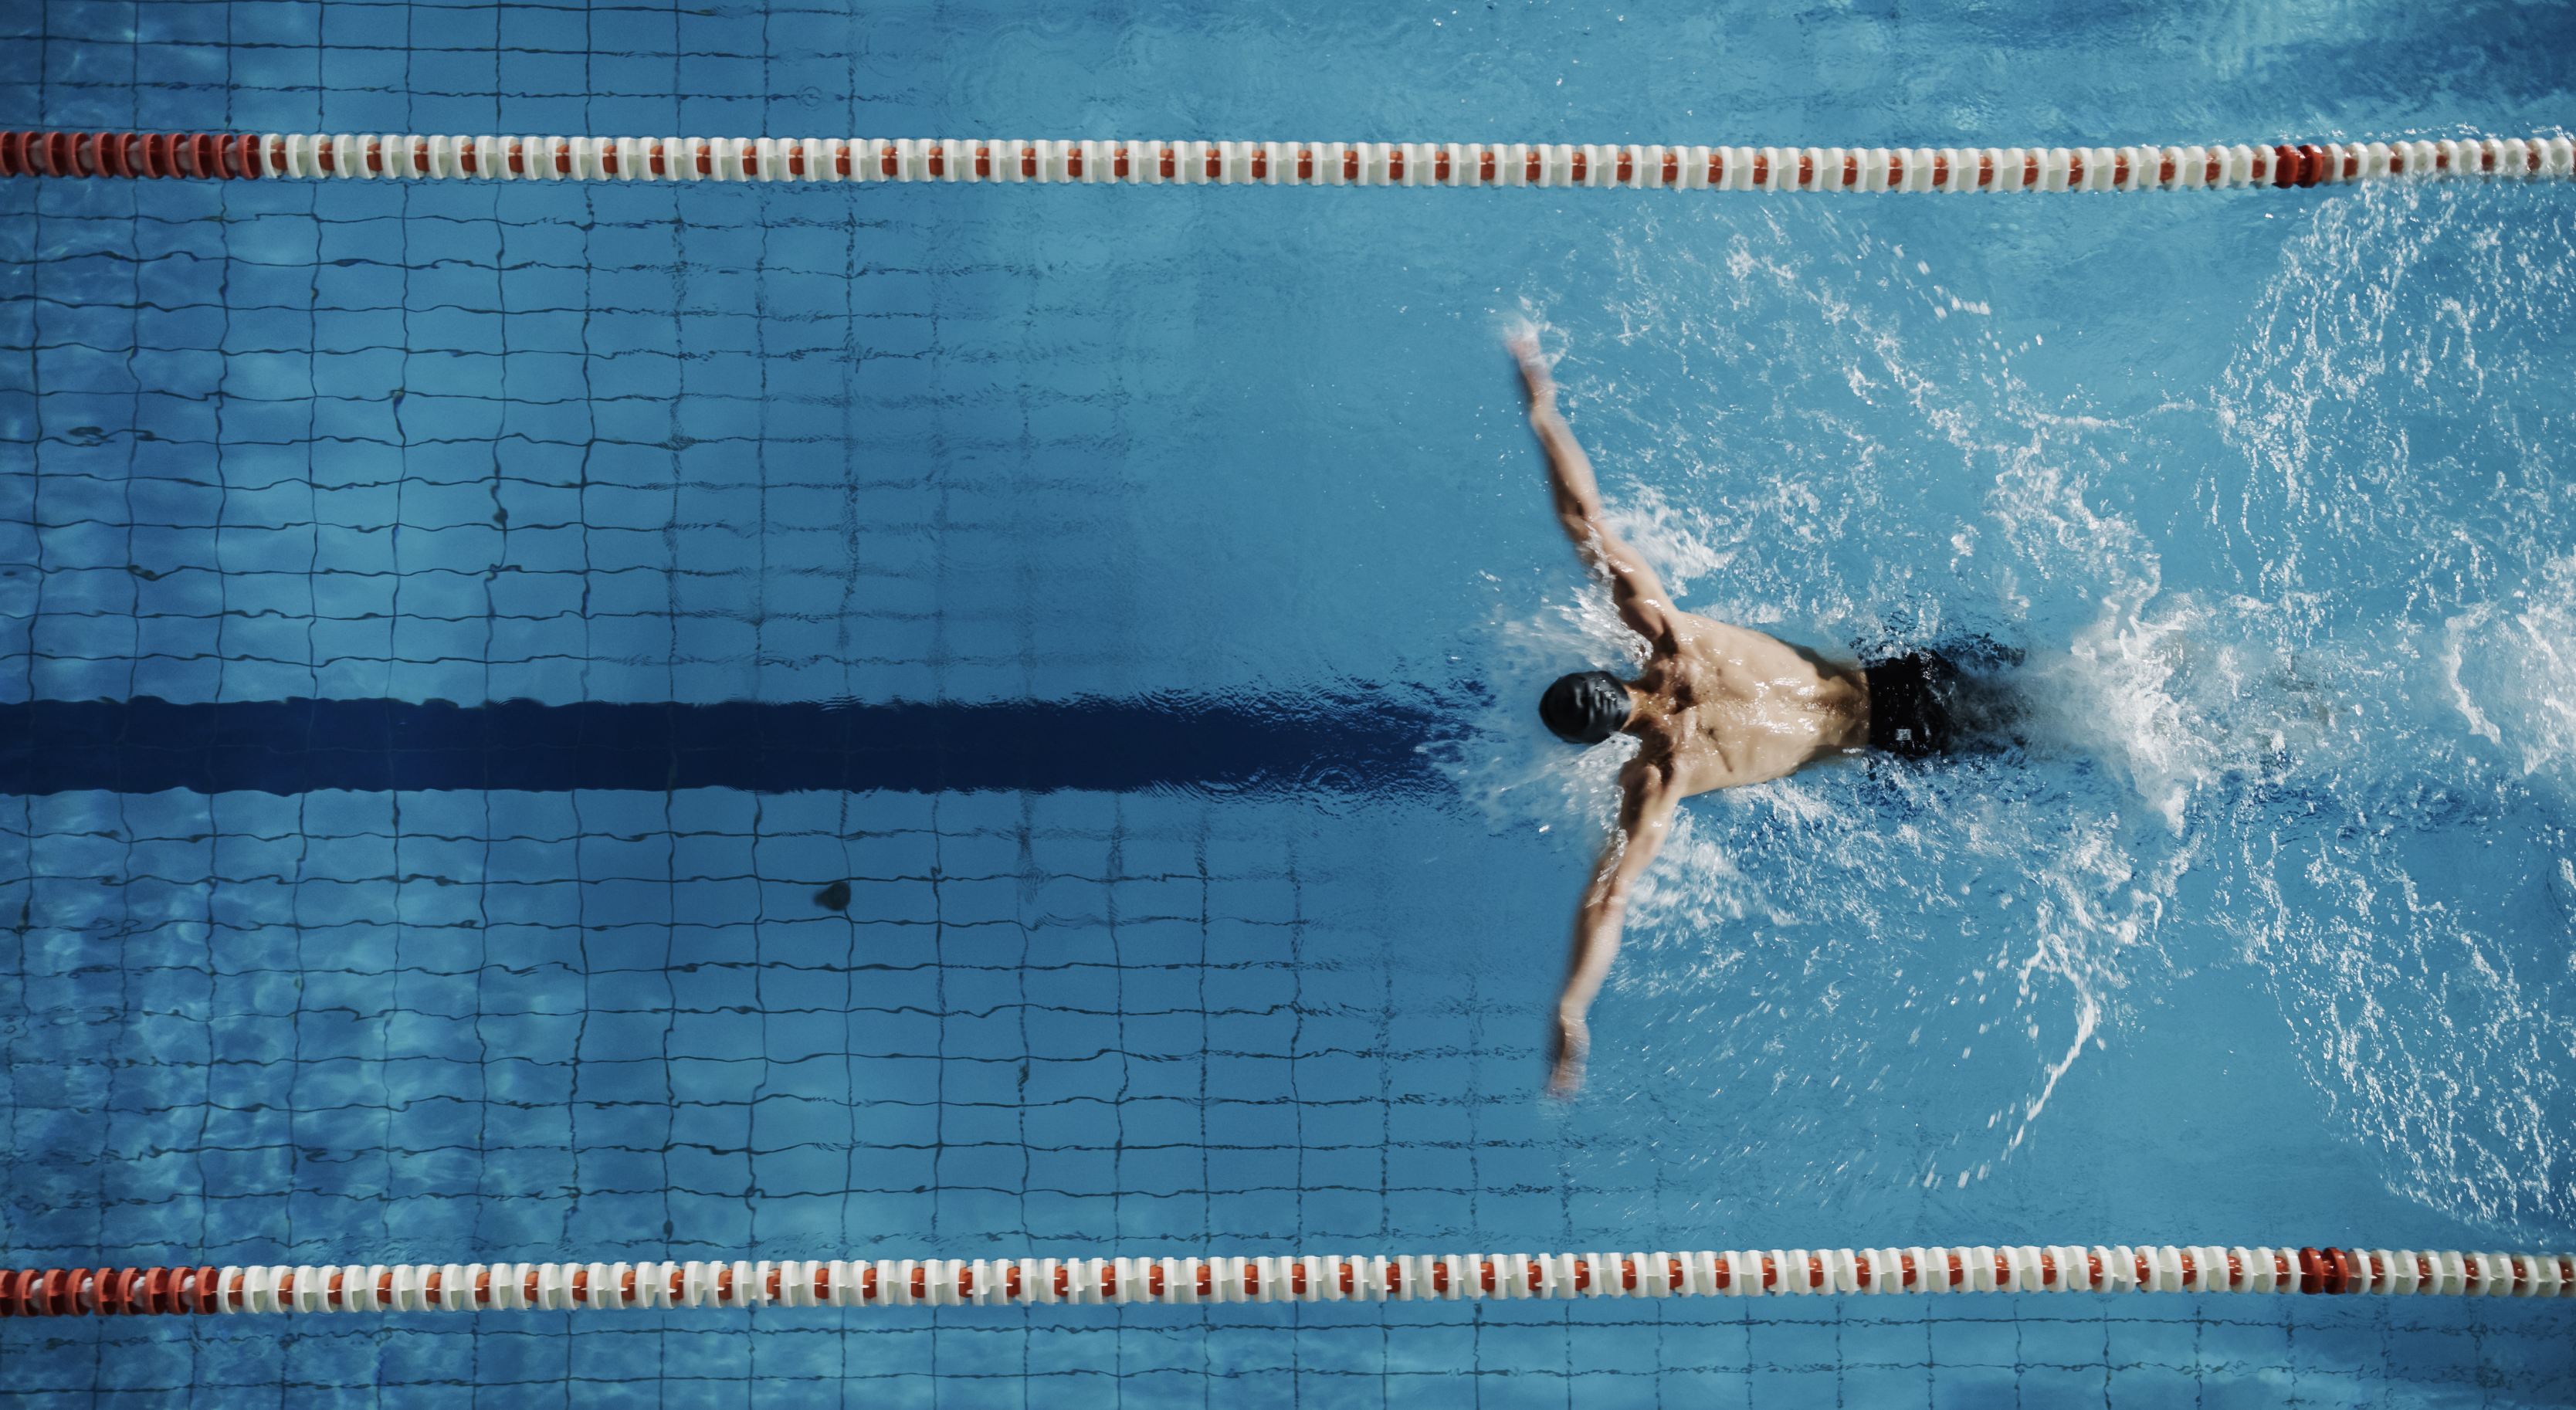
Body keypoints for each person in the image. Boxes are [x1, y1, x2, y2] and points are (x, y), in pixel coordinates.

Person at [1513, 335, 1966, 1096]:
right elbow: (1583, 517)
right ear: (1604, 667)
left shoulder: (1658, 776)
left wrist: (1572, 1004)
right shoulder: (1666, 633)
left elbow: (1609, 897)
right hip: (1902, 674)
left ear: (1595, 743)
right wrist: (1541, 406)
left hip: (1898, 741)